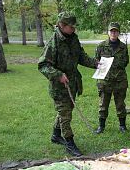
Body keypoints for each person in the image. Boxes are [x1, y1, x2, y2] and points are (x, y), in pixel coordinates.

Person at [38, 12, 98, 156]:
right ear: (61, 25)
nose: (74, 29)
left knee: (64, 112)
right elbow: (43, 65)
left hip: (73, 84)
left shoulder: (73, 38)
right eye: (71, 27)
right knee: (65, 116)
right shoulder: (54, 42)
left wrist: (96, 64)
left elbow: (81, 57)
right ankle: (70, 143)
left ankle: (56, 135)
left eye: (74, 27)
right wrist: (58, 75)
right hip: (60, 87)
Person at [94, 22, 129, 134]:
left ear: (118, 32)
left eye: (116, 31)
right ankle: (101, 126)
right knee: (103, 104)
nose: (113, 33)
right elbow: (96, 61)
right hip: (105, 80)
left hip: (120, 80)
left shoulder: (123, 47)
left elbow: (126, 61)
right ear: (108, 32)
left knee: (120, 104)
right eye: (111, 31)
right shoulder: (101, 46)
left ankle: (122, 126)